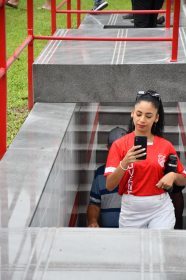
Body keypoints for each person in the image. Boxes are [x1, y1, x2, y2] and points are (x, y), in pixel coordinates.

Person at [105, 90, 186, 229]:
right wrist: (124, 163)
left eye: (148, 116)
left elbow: (183, 178)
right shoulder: (119, 145)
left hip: (160, 209)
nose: (142, 120)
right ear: (132, 113)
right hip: (131, 210)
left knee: (160, 249)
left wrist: (172, 176)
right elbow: (109, 185)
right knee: (132, 250)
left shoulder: (165, 146)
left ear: (156, 118)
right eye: (138, 114)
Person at [87, 127, 126, 228]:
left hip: (133, 233)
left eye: (122, 146)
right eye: (115, 147)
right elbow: (94, 204)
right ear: (108, 148)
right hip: (108, 235)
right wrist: (92, 221)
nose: (120, 151)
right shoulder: (100, 173)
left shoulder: (139, 170)